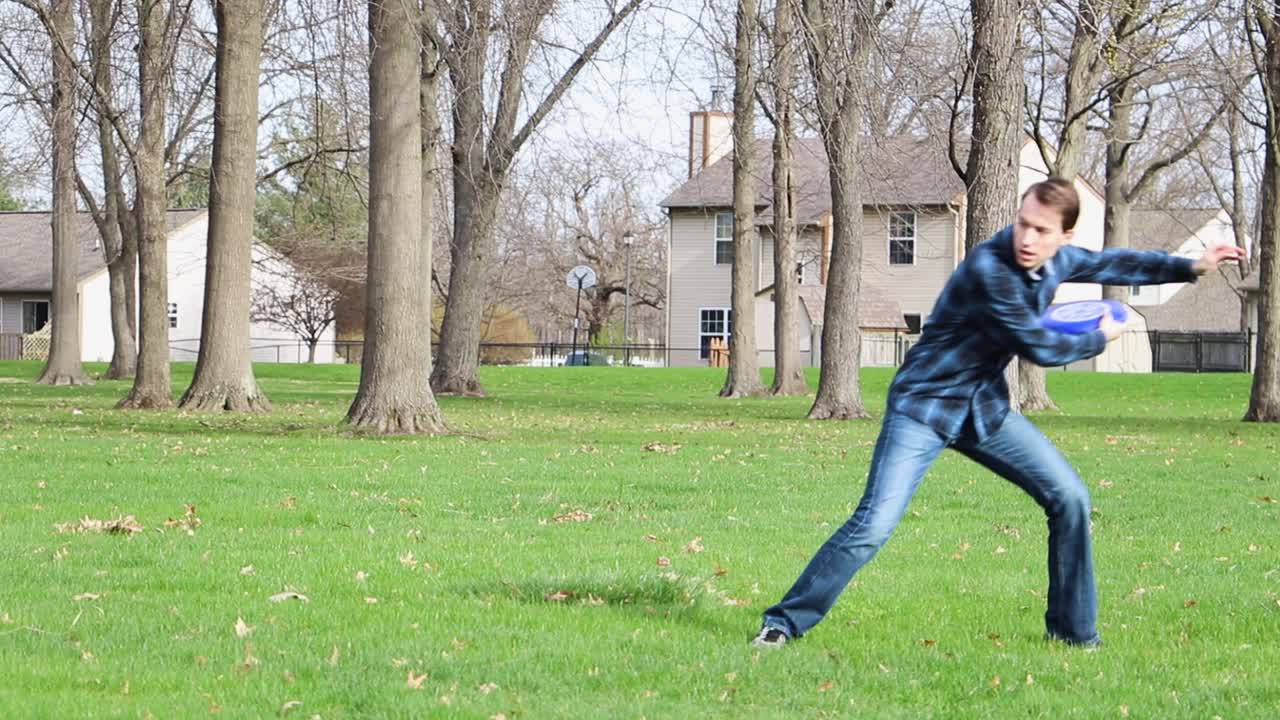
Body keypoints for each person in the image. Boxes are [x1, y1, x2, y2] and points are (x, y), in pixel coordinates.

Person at [752, 177, 1248, 649]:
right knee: (875, 523)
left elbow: (1111, 263)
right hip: (923, 407)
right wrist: (1102, 335)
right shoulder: (990, 270)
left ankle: (1074, 634)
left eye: (1041, 230)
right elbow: (1042, 347)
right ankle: (783, 623)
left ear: (1064, 236)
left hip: (982, 411)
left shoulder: (1057, 259)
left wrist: (1190, 267)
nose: (1026, 238)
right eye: (1022, 223)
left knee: (1070, 497)